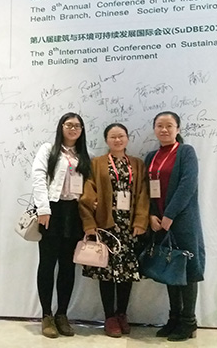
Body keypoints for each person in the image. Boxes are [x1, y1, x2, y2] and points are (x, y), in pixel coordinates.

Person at [78, 123, 149, 338]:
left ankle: (122, 314)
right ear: (106, 140)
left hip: (129, 226)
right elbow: (87, 193)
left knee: (127, 272)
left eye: (121, 136)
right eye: (112, 137)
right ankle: (109, 317)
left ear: (127, 138)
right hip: (105, 226)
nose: (117, 140)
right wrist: (90, 223)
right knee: (106, 272)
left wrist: (140, 221)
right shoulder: (97, 163)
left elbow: (144, 194)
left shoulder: (137, 164)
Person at [144, 111, 206, 342]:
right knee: (170, 266)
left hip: (183, 221)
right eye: (159, 125)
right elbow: (148, 188)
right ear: (154, 129)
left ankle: (189, 322)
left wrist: (170, 214)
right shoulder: (151, 157)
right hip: (159, 221)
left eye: (169, 125)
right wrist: (152, 214)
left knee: (187, 268)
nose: (164, 129)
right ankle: (174, 318)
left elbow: (187, 184)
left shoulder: (186, 152)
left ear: (178, 129)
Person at [31, 112, 92, 338]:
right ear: (61, 127)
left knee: (68, 266)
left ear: (82, 130)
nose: (73, 129)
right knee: (47, 264)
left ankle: (62, 315)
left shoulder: (85, 155)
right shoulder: (49, 150)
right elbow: (38, 177)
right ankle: (46, 315)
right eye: (69, 125)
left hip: (75, 213)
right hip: (52, 211)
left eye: (78, 126)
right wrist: (43, 209)